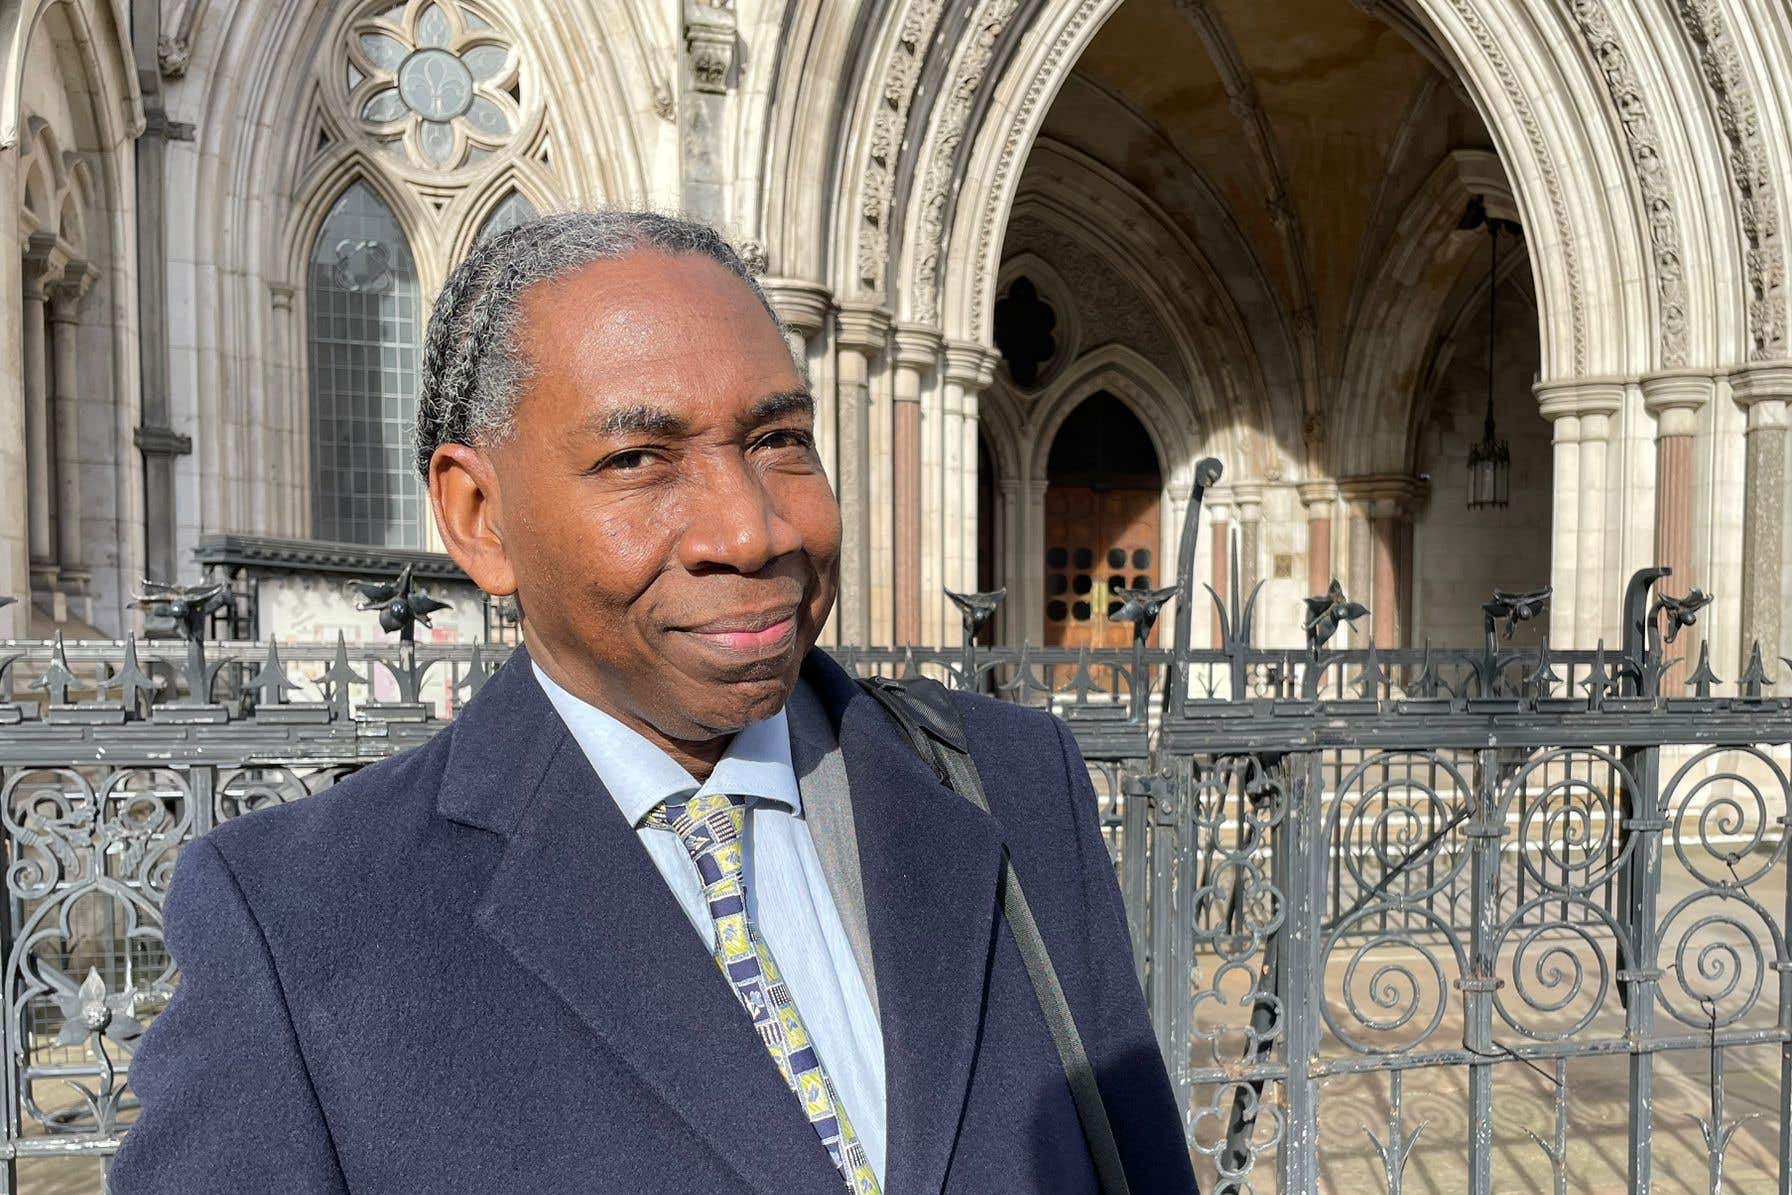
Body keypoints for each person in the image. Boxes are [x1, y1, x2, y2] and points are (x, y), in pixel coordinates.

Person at [110, 211, 1197, 1194]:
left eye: (779, 441)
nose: (750, 531)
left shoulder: (1008, 784)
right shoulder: (303, 922)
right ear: (478, 515)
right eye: (640, 458)